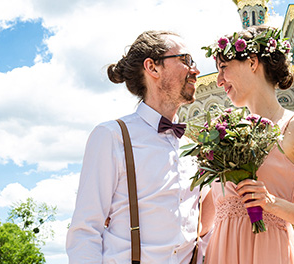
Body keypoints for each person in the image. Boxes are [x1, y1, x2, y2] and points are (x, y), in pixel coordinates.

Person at [200, 25, 294, 263]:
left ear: (252, 62)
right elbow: (202, 222)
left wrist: (272, 203)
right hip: (221, 255)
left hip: (270, 253)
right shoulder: (224, 133)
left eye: (224, 67)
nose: (219, 80)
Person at [66, 30, 202, 263]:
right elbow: (85, 230)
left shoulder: (192, 147)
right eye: (185, 60)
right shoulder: (112, 136)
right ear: (153, 67)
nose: (195, 69)